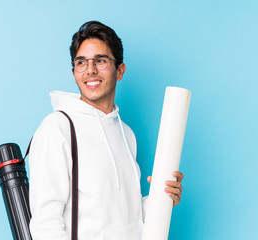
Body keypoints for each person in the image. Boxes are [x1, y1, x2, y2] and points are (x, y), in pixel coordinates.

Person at [28, 21, 184, 240]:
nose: (90, 70)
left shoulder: (126, 133)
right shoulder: (58, 128)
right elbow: (45, 224)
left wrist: (163, 198)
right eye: (81, 62)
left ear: (120, 70)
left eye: (100, 60)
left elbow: (126, 214)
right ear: (74, 73)